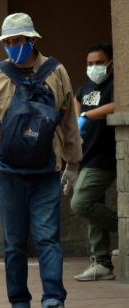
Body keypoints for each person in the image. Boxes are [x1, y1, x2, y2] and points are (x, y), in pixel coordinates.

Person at [0, 13, 81, 308]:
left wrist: (74, 164)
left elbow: (69, 121)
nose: (14, 47)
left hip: (46, 172)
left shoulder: (57, 72)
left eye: (19, 41)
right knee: (14, 244)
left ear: (33, 41)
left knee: (48, 239)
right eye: (9, 42)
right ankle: (19, 301)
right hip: (8, 173)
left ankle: (53, 299)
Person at [70, 43, 117, 282]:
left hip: (105, 156)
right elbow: (75, 110)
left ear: (110, 62)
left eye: (99, 63)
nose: (94, 67)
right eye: (90, 64)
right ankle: (101, 263)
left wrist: (87, 115)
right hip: (87, 155)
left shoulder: (116, 84)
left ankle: (123, 227)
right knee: (91, 210)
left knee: (81, 202)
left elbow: (119, 105)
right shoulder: (85, 87)